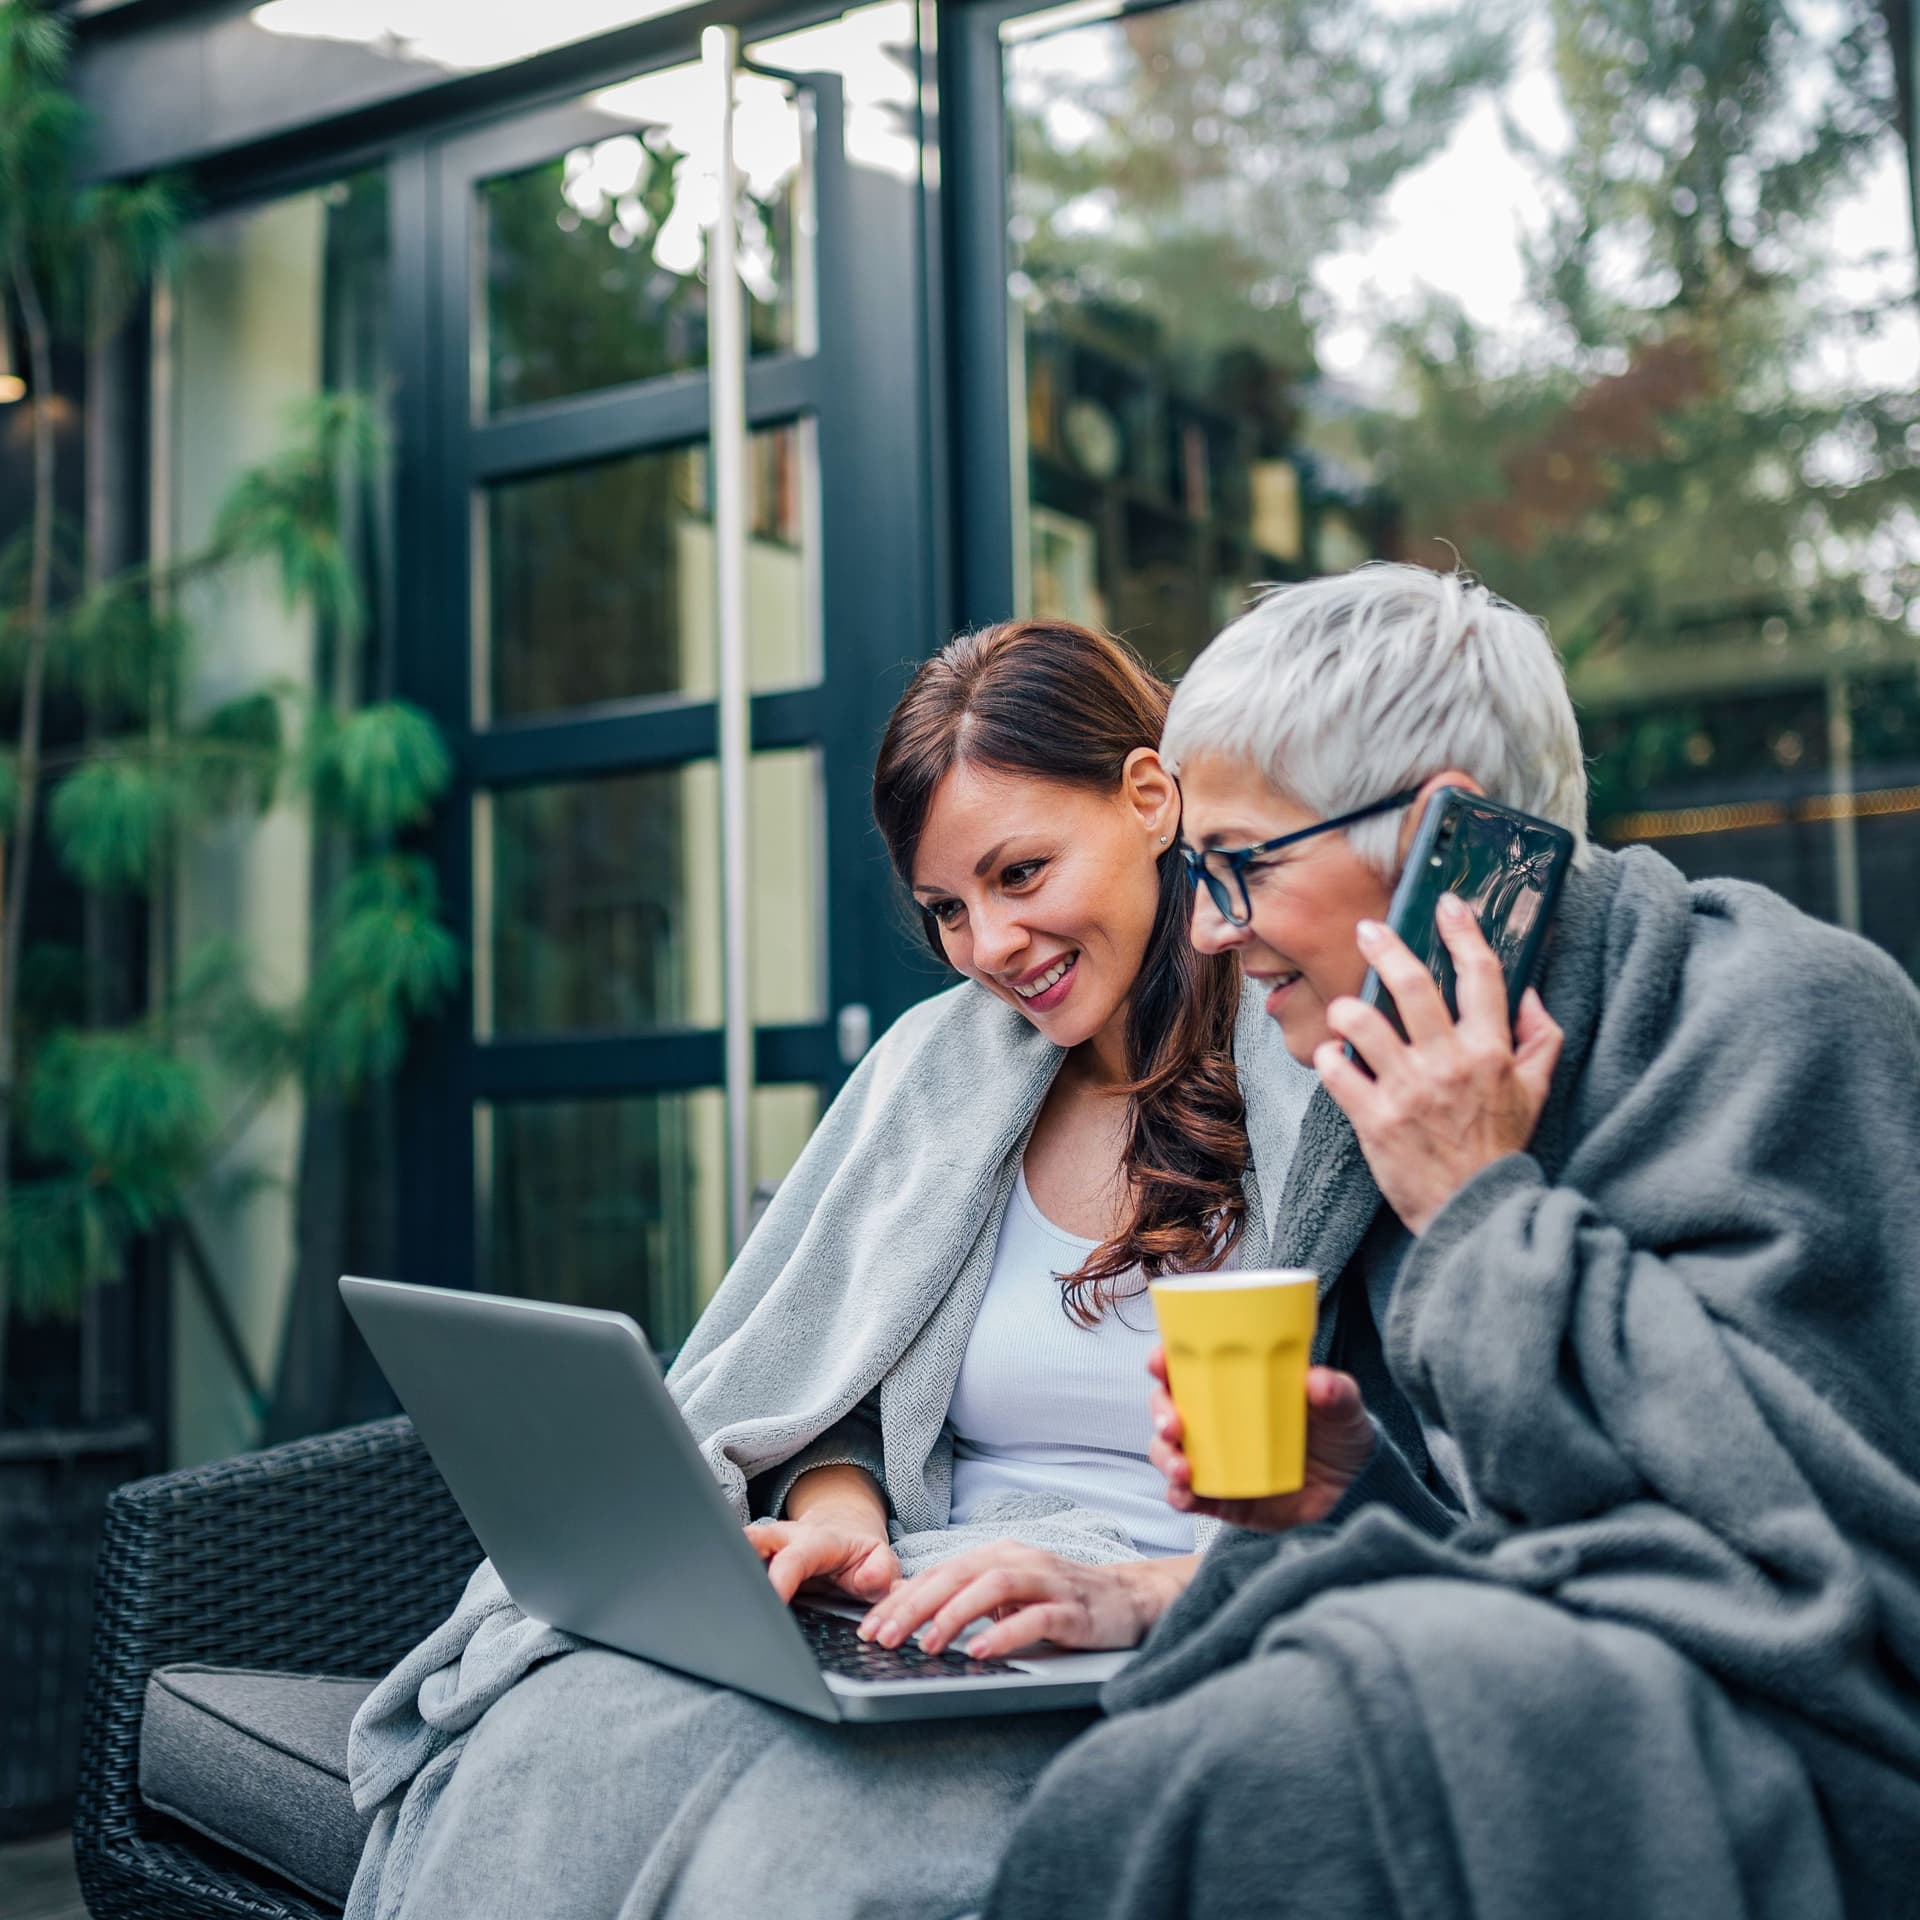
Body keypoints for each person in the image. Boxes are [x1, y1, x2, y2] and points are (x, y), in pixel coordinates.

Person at [975, 564, 1920, 1920]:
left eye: (1239, 864)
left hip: (1801, 1739)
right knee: (1169, 1776)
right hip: (1544, 1664)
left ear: (1440, 838)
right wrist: (1345, 1494)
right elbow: (1504, 1537)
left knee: (1229, 1783)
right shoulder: (1388, 1090)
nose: (1207, 926)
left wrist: (1479, 1209)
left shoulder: (1787, 1019)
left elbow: (1798, 1564)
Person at [343, 618, 1315, 1920]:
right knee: (549, 1732)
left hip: (1153, 1624)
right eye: (947, 911)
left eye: (1022, 873)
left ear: (1150, 798)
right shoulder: (946, 1069)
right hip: (933, 1599)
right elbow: (835, 1380)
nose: (991, 945)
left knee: (784, 1858)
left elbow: (1413, 1475)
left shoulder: (1309, 1060)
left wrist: (1129, 1593)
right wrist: (843, 1521)